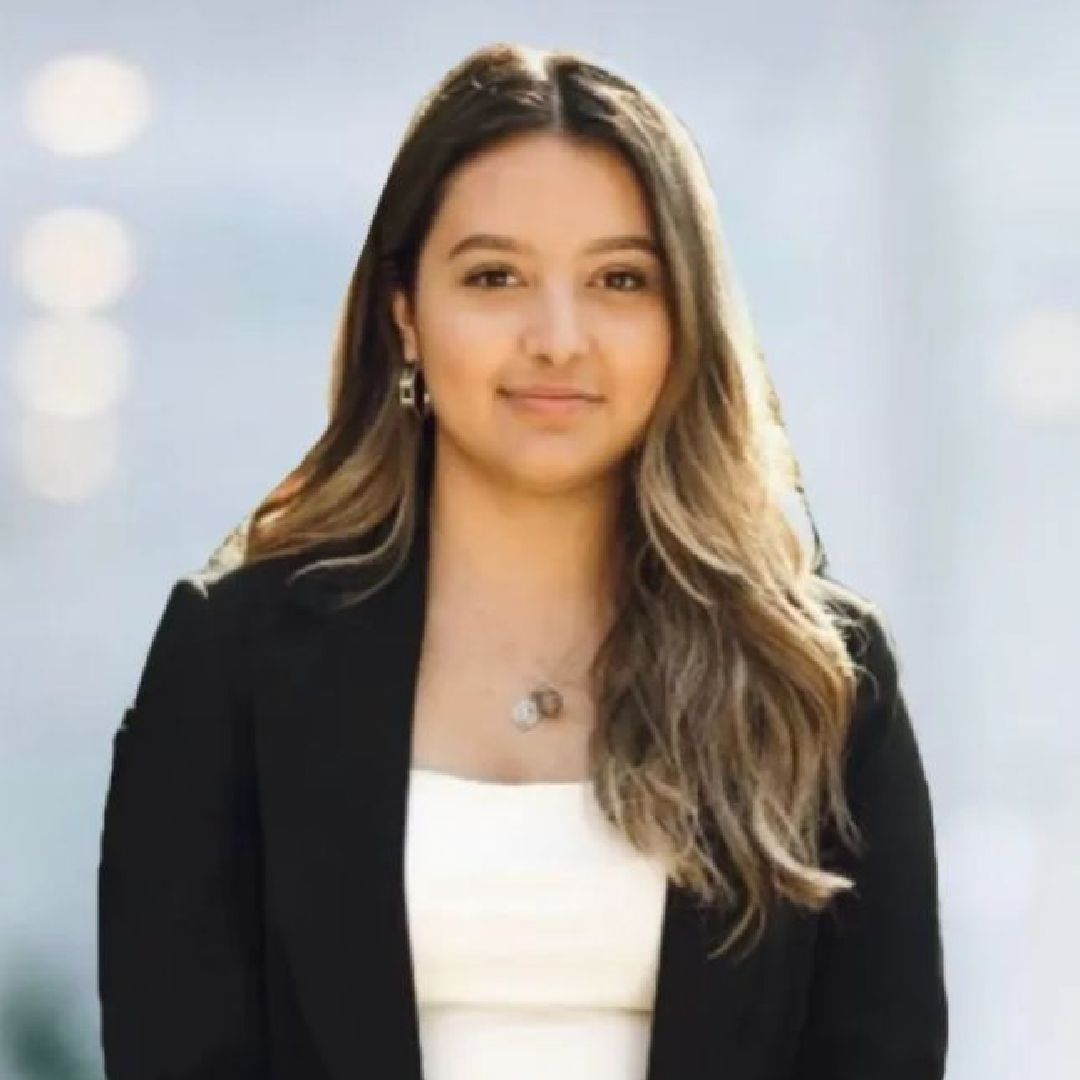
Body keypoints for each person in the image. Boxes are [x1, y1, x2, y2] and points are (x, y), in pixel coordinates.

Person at [97, 40, 947, 1080]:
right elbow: (176, 1051)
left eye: (619, 280)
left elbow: (880, 1058)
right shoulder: (234, 659)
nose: (557, 336)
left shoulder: (817, 676)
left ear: (684, 321)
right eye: (495, 276)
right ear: (404, 311)